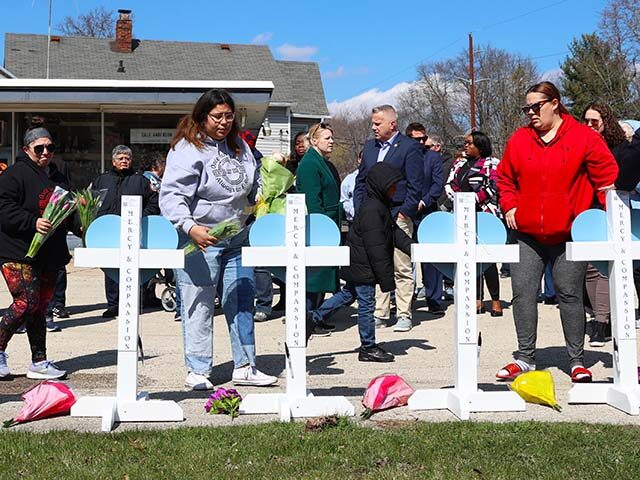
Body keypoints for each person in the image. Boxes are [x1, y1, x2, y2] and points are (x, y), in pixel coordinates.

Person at [496, 81, 618, 383]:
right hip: (526, 234)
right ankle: (525, 358)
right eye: (526, 108)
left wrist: (604, 219)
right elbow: (504, 178)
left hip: (568, 235)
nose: (531, 114)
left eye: (536, 107)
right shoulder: (520, 139)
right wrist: (510, 204)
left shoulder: (583, 137)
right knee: (523, 294)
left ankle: (576, 361)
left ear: (555, 103)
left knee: (569, 294)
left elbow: (607, 177)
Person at [160, 88, 277, 390]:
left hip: (237, 237)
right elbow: (172, 194)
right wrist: (188, 226)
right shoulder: (187, 149)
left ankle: (245, 365)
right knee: (198, 302)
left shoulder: (239, 146)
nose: (224, 122)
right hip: (200, 239)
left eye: (228, 116)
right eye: (217, 117)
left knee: (241, 300)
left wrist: (266, 192)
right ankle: (198, 369)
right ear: (202, 117)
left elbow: (252, 183)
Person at [309, 162, 413, 362]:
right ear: (381, 185)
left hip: (358, 263)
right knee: (366, 304)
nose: (395, 189)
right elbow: (377, 249)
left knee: (347, 295)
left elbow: (392, 232)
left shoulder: (378, 204)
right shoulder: (373, 209)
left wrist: (412, 247)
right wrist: (386, 281)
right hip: (363, 265)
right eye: (392, 185)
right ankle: (368, 346)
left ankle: (313, 318)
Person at [0, 128, 74, 380]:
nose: (45, 153)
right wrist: (33, 222)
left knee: (40, 307)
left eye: (49, 148)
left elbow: (66, 211)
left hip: (49, 254)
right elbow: (4, 210)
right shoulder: (13, 174)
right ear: (26, 149)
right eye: (39, 148)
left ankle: (39, 361)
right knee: (25, 303)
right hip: (17, 250)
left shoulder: (58, 176)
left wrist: (83, 220)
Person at [353, 105, 424, 332]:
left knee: (401, 265)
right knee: (378, 264)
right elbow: (361, 182)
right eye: (372, 123)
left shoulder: (409, 147)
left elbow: (415, 184)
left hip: (398, 214)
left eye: (377, 123)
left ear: (392, 124)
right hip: (373, 216)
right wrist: (361, 210)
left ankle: (404, 313)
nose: (373, 127)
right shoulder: (369, 147)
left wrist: (405, 212)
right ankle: (380, 313)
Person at [582, 103, 632, 346]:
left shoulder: (621, 147)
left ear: (606, 121)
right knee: (591, 267)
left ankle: (603, 322)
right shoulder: (582, 145)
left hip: (615, 209)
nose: (590, 125)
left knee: (610, 267)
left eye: (595, 121)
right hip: (588, 210)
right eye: (586, 121)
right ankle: (601, 317)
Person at [91, 145, 159, 318]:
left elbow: (154, 203)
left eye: (127, 158)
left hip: (133, 230)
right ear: (113, 161)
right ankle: (113, 305)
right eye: (120, 158)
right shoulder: (102, 180)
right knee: (111, 267)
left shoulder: (141, 181)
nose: (124, 160)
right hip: (108, 231)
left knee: (132, 266)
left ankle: (132, 302)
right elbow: (91, 202)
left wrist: (140, 217)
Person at [446, 131, 503, 316]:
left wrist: (473, 199)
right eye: (465, 143)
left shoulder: (492, 163)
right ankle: (477, 298)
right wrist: (458, 199)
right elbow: (450, 184)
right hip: (462, 215)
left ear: (480, 146)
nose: (466, 146)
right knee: (469, 258)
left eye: (470, 143)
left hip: (484, 213)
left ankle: (495, 299)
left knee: (487, 258)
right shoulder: (459, 163)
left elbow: (495, 185)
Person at [296, 122, 343, 336]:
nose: (331, 141)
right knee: (314, 275)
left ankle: (316, 316)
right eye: (327, 138)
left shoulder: (323, 162)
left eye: (332, 137)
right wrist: (322, 228)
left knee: (323, 273)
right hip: (320, 223)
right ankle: (307, 317)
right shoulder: (309, 164)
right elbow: (312, 201)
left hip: (330, 220)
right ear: (314, 140)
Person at [405, 123, 445, 314]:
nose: (421, 142)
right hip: (405, 212)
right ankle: (404, 301)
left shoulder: (433, 157)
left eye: (423, 138)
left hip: (427, 213)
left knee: (430, 258)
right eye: (416, 139)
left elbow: (438, 185)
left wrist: (424, 201)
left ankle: (434, 298)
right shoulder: (402, 156)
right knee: (404, 258)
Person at [340, 150, 362, 224]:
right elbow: (343, 200)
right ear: (359, 160)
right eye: (364, 158)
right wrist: (352, 211)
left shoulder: (376, 178)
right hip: (354, 222)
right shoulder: (349, 179)